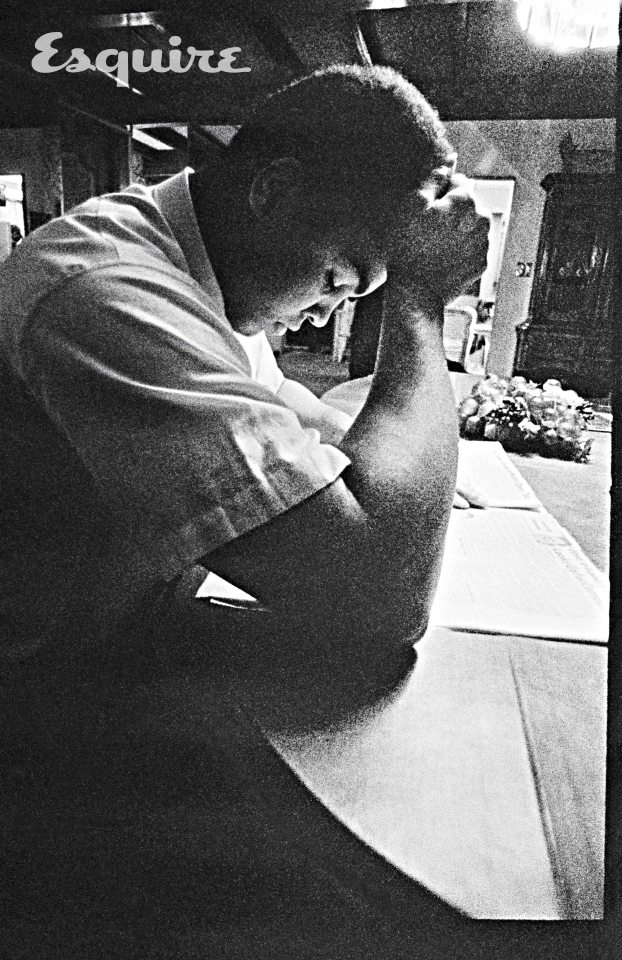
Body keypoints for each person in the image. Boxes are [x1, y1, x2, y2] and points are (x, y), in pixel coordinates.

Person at [0, 65, 490, 954]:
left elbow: (331, 446)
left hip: (119, 650)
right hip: (41, 718)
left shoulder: (207, 281)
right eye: (344, 274)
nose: (334, 307)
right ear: (271, 191)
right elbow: (377, 601)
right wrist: (417, 308)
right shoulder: (106, 289)